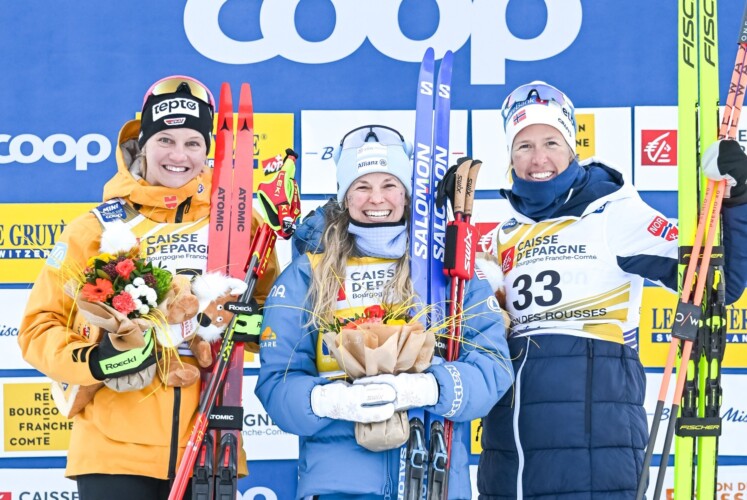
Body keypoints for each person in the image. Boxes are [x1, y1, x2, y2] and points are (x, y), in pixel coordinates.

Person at [476, 81, 747, 499]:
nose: (538, 159)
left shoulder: (612, 212)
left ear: (572, 147)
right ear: (510, 156)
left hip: (596, 450)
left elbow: (717, 283)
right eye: (524, 146)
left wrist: (739, 196)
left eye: (551, 142)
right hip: (509, 459)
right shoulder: (500, 236)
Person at [17, 75, 279, 499]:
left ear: (208, 150)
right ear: (143, 145)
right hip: (112, 453)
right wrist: (97, 361)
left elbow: (275, 317)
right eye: (165, 140)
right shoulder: (95, 229)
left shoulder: (238, 224)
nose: (179, 155)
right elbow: (37, 328)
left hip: (210, 446)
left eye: (193, 142)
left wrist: (256, 326)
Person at [255, 125, 514, 499]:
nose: (376, 198)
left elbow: (493, 366)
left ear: (406, 194)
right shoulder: (309, 273)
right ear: (345, 196)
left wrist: (430, 387)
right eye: (361, 186)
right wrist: (330, 401)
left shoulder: (447, 270)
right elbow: (277, 382)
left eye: (389, 184)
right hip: (337, 486)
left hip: (431, 477)